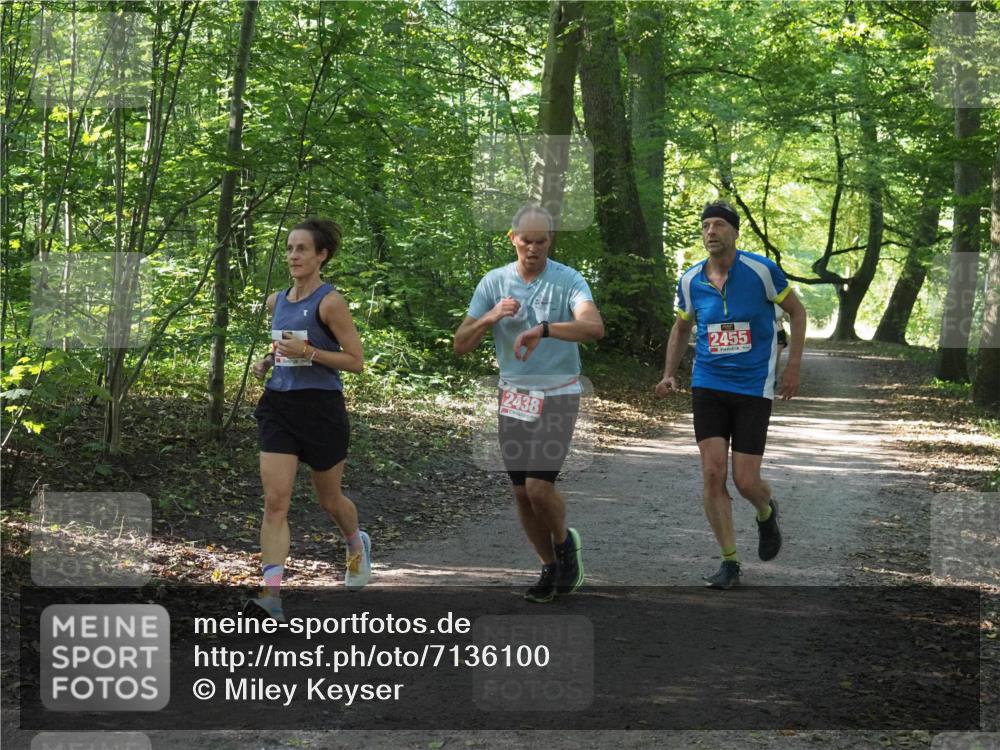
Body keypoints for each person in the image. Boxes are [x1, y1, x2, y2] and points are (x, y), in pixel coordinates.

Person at [454, 204, 604, 602]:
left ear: (550, 240)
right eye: (527, 241)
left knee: (539, 487)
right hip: (514, 398)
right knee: (521, 492)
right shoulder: (494, 282)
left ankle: (563, 542)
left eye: (541, 241)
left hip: (558, 394)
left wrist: (546, 329)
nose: (534, 249)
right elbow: (460, 344)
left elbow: (593, 327)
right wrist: (490, 318)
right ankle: (549, 566)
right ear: (513, 239)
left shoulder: (569, 280)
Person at [655, 200, 806, 589]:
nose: (711, 232)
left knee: (745, 480)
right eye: (705, 226)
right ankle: (730, 562)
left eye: (719, 225)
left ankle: (765, 510)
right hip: (708, 384)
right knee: (711, 472)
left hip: (754, 386)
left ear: (735, 232)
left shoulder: (761, 271)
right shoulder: (691, 280)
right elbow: (681, 328)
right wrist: (669, 374)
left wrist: (793, 366)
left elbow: (797, 312)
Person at [246, 218, 372, 621]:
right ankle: (271, 597)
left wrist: (311, 353)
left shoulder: (330, 302)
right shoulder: (276, 300)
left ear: (322, 255)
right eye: (289, 249)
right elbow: (284, 347)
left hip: (321, 409)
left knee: (328, 499)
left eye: (302, 249)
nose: (293, 256)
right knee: (274, 501)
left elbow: (356, 362)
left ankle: (355, 543)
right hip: (279, 406)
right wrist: (268, 361)